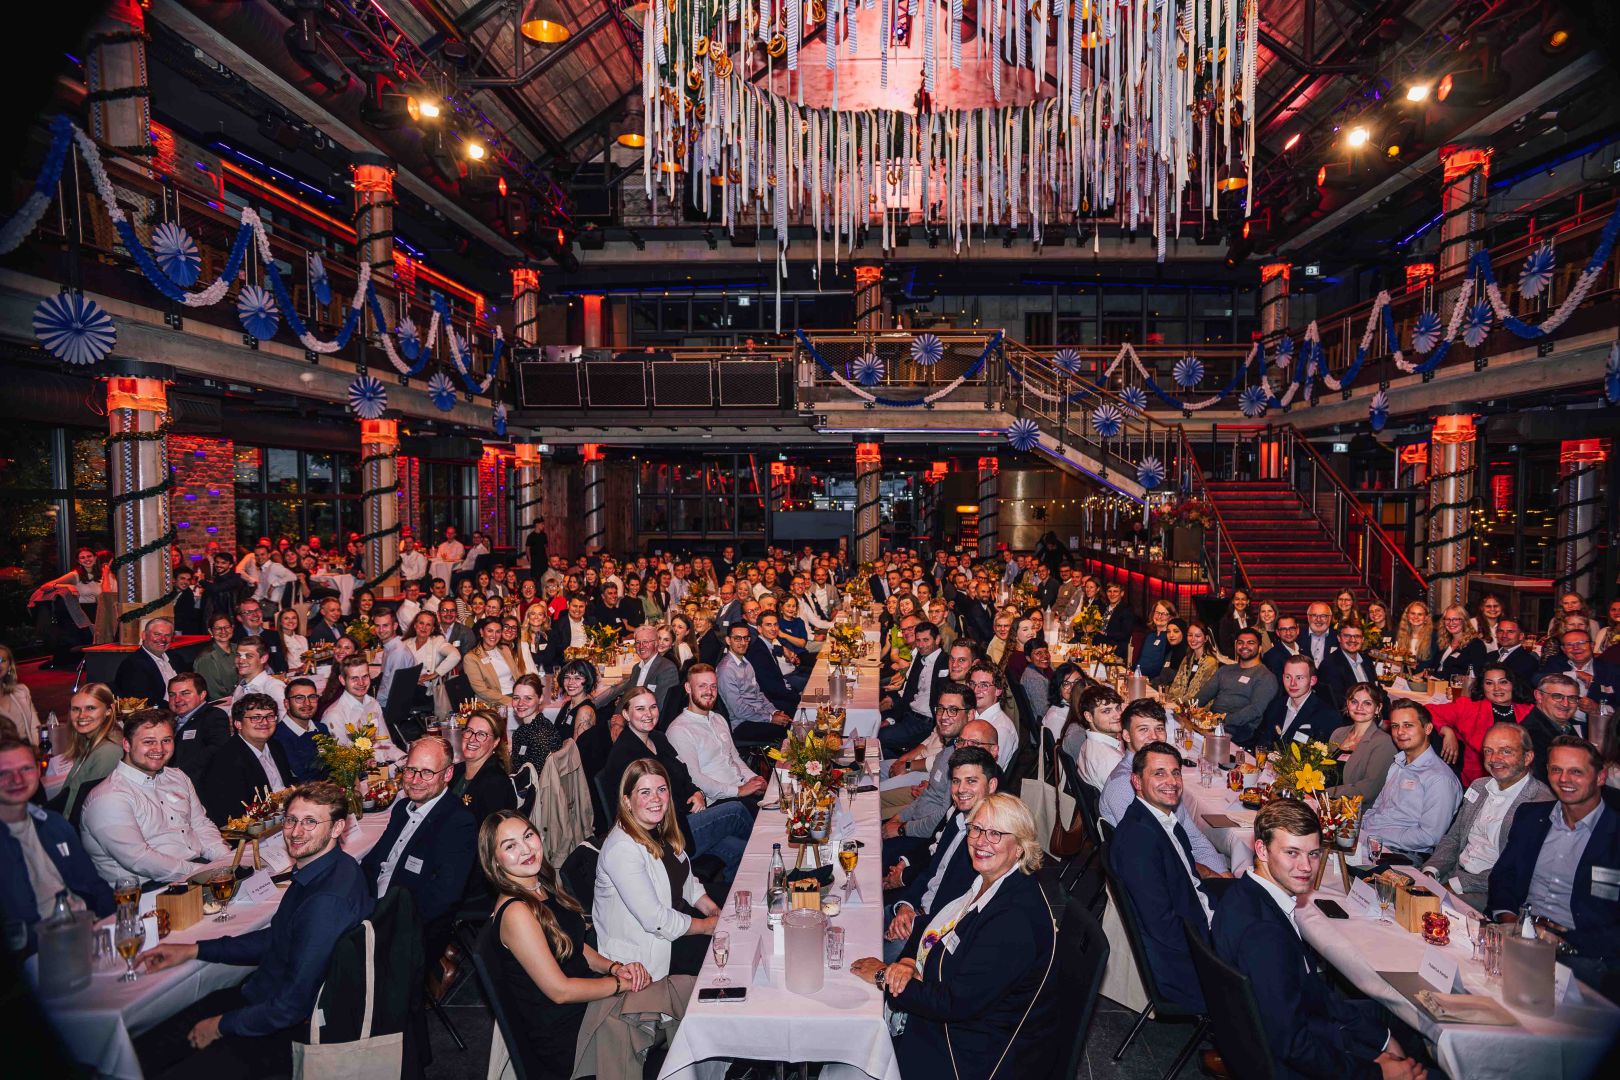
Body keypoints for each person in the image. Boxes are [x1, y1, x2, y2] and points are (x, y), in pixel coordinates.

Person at [133, 781, 374, 1079]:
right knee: (149, 1045)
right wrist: (195, 949)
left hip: (282, 1030)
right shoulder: (330, 868)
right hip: (264, 999)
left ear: (337, 828)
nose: (296, 832)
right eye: (291, 820)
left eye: (311, 822)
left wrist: (221, 1026)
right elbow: (277, 937)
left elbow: (290, 1006)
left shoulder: (326, 902)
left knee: (152, 1056)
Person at [1211, 800, 1426, 1080]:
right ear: (1262, 850)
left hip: (1286, 1031)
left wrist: (1380, 1039)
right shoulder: (1264, 935)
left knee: (1399, 1018)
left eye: (1313, 854)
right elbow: (1293, 1045)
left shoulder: (1241, 895)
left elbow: (1309, 992)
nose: (1306, 867)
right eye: (1292, 853)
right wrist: (1376, 1072)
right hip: (1287, 1063)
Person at [852, 793, 1057, 1080]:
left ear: (1020, 848)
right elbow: (929, 926)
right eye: (976, 829)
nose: (981, 841)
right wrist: (910, 961)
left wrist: (883, 976)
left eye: (996, 833)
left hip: (962, 1053)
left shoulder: (1014, 919)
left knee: (848, 1054)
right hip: (943, 1017)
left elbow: (953, 1003)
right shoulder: (984, 883)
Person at [481, 809, 655, 1080]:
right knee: (670, 1003)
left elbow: (573, 944)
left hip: (585, 1006)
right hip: (568, 1034)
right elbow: (560, 991)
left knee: (674, 998)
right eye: (510, 846)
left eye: (528, 836)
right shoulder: (516, 912)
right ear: (494, 861)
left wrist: (614, 968)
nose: (526, 849)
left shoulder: (539, 884)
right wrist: (620, 985)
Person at [1487, 736, 1619, 994]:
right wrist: (1512, 922)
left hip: (1584, 956)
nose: (1564, 779)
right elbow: (1503, 877)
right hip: (1517, 935)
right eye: (1556, 770)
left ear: (1600, 777)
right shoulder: (1530, 817)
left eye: (1576, 772)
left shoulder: (1615, 836)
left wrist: (1558, 941)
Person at [1109, 741, 1234, 1012]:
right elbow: (1162, 927)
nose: (1171, 781)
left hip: (1198, 917)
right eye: (1159, 773)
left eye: (1175, 773)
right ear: (1136, 781)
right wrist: (1218, 948)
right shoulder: (1138, 841)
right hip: (1185, 965)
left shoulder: (1160, 821)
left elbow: (1189, 881)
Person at [593, 759, 721, 980]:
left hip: (675, 925)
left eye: (661, 790)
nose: (656, 799)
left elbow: (686, 882)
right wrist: (706, 926)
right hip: (650, 949)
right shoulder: (621, 848)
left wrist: (713, 910)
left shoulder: (660, 828)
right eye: (645, 792)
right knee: (726, 960)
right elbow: (655, 920)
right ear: (627, 801)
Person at [603, 687, 751, 878]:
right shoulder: (627, 755)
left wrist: (697, 792)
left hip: (683, 818)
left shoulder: (658, 738)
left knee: (741, 850)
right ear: (626, 714)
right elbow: (649, 807)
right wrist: (689, 804)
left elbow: (682, 773)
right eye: (640, 709)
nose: (648, 714)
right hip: (664, 834)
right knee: (735, 811)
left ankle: (736, 898)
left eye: (653, 707)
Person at [79, 706, 231, 884]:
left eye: (166, 740)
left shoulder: (177, 776)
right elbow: (139, 859)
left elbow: (200, 824)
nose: (159, 748)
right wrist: (202, 872)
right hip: (147, 889)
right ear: (127, 744)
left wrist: (225, 858)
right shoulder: (109, 798)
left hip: (195, 869)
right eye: (148, 741)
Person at [360, 736, 478, 963]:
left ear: (448, 775)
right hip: (375, 908)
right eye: (411, 770)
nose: (415, 780)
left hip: (410, 926)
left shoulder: (458, 822)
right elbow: (372, 863)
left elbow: (445, 895)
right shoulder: (402, 808)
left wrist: (388, 920)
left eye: (427, 773)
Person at [882, 747, 1001, 963]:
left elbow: (961, 909)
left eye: (971, 781)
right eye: (956, 781)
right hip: (915, 912)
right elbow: (931, 872)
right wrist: (905, 907)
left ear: (991, 785)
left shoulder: (989, 842)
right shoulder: (957, 816)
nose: (961, 789)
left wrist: (914, 923)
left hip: (934, 934)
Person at [1422, 723, 1553, 911]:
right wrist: (1431, 871)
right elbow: (1454, 837)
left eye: (1506, 751)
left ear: (1527, 757)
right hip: (1451, 876)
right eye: (1488, 751)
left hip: (1490, 892)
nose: (1494, 759)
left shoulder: (1540, 803)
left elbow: (1515, 869)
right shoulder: (1479, 786)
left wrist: (1458, 884)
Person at [0, 734, 115, 944]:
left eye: (25, 769)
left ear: (38, 770)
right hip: (39, 952)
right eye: (4, 773)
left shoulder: (54, 825)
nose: (16, 780)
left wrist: (113, 924)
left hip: (89, 931)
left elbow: (95, 886)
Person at [1359, 700, 1463, 859]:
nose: (1400, 732)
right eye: (1395, 726)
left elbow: (1429, 837)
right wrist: (1359, 828)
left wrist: (1375, 835)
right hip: (1371, 841)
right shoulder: (1398, 764)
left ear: (1427, 728)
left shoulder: (1440, 779)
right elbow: (1378, 808)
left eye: (1408, 725)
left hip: (1403, 855)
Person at [883, 685, 973, 864]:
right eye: (941, 709)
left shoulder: (962, 760)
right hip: (914, 823)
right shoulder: (948, 748)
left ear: (970, 715)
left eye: (953, 710)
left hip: (925, 841)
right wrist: (900, 818)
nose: (944, 716)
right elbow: (927, 797)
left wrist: (902, 828)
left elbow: (943, 819)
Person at [666, 664, 769, 806]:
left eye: (713, 686)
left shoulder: (718, 719)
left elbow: (734, 758)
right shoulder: (679, 730)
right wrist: (738, 790)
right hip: (719, 802)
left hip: (739, 791)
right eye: (702, 686)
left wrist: (754, 779)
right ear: (688, 688)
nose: (709, 691)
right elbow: (694, 778)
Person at [198, 694, 294, 827]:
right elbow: (234, 815)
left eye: (270, 716)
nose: (265, 722)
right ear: (238, 723)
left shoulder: (275, 746)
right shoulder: (226, 761)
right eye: (255, 718)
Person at [1430, 664, 1534, 786]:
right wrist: (1446, 730)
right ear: (1483, 687)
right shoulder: (1468, 708)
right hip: (1476, 781)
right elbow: (1426, 711)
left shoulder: (1529, 711)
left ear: (1513, 684)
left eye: (1503, 682)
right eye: (1489, 683)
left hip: (1519, 781)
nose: (1497, 688)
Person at [51, 684, 125, 822]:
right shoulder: (90, 742)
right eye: (76, 709)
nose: (81, 715)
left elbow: (86, 810)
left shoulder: (107, 753)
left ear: (109, 710)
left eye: (90, 708)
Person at [1193, 628, 1278, 745]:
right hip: (1211, 726)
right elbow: (1203, 695)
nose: (1244, 646)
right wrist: (1188, 708)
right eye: (1240, 642)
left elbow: (1254, 710)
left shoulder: (1265, 676)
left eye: (1250, 643)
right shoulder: (1225, 670)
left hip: (1239, 732)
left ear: (1260, 648)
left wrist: (1221, 720)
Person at [717, 623, 791, 749]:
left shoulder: (746, 663)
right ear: (728, 640)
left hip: (756, 715)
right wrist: (770, 718)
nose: (743, 642)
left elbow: (758, 694)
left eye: (746, 638)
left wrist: (774, 711)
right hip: (741, 723)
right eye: (737, 638)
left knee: (790, 717)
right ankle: (777, 767)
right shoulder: (726, 670)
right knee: (785, 730)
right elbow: (739, 710)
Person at [1325, 682, 1400, 804]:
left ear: (1378, 708)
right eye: (1354, 702)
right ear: (1348, 704)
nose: (1359, 708)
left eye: (1367, 703)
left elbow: (1369, 790)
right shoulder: (1338, 734)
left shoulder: (1383, 743)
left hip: (1356, 812)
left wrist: (1324, 794)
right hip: (1325, 805)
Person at [1254, 655, 1340, 749]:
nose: (1292, 683)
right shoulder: (1275, 706)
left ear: (1312, 681)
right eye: (1288, 677)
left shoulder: (1327, 715)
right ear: (1282, 678)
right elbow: (1261, 741)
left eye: (1299, 678)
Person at [449, 709, 518, 826]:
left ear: (495, 742)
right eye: (469, 731)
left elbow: (489, 836)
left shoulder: (496, 784)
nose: (471, 739)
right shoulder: (457, 770)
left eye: (481, 734)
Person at [1523, 672, 1588, 784]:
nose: (1565, 704)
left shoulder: (1564, 725)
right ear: (1539, 696)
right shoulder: (1530, 734)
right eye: (1557, 696)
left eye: (1572, 698)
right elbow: (1543, 782)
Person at [165, 672, 231, 782]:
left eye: (185, 693)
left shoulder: (213, 716)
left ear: (202, 695)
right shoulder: (166, 721)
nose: (177, 700)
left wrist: (178, 775)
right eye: (172, 695)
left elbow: (217, 750)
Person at [113, 617, 191, 710]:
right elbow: (144, 704)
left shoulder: (175, 658)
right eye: (157, 634)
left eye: (167, 635)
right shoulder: (133, 665)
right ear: (144, 635)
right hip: (159, 717)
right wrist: (178, 708)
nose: (163, 639)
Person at [608, 625, 680, 725]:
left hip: (646, 725)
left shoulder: (667, 668)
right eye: (638, 642)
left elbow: (658, 707)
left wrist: (624, 721)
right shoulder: (636, 668)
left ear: (656, 644)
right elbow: (626, 697)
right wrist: (617, 718)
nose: (641, 646)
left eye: (646, 642)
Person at [964, 661, 1019, 774]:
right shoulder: (972, 716)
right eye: (972, 684)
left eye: (984, 685)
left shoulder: (1001, 729)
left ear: (998, 690)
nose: (975, 690)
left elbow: (986, 773)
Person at [1072, 684, 1125, 791]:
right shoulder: (1112, 760)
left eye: (1118, 708)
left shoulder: (1087, 743)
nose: (1118, 715)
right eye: (1106, 711)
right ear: (1089, 716)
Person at [273, 678, 325, 783]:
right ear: (286, 704)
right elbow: (302, 777)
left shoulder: (321, 728)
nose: (307, 703)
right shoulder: (278, 737)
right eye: (299, 698)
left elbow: (331, 764)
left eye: (312, 697)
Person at [465, 617, 520, 710]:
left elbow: (517, 675)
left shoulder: (505, 649)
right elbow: (481, 691)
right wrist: (510, 701)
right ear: (482, 632)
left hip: (516, 695)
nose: (494, 635)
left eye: (498, 631)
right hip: (494, 702)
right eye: (490, 631)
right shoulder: (471, 658)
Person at [1318, 623, 1375, 710]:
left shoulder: (1367, 660)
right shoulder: (1329, 665)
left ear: (1363, 639)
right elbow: (1338, 702)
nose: (1352, 640)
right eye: (1347, 636)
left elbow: (1377, 690)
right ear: (1339, 638)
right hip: (1349, 720)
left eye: (1357, 636)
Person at [1163, 620, 1220, 701]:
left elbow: (1199, 693)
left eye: (1197, 636)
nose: (1193, 639)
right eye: (1190, 635)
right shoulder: (1187, 659)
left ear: (1206, 638)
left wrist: (1179, 704)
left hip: (1198, 709)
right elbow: (1175, 685)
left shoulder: (1210, 662)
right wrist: (1170, 700)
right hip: (1180, 705)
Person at [229, 638, 286, 718]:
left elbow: (283, 721)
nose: (241, 661)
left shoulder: (273, 687)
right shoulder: (240, 688)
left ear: (263, 658)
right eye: (238, 655)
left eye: (248, 656)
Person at [0, 643, 41, 746]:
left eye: (2, 660)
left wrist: (35, 753)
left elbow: (34, 728)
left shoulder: (21, 691)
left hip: (26, 755)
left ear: (9, 666)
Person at [194, 615, 240, 700]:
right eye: (218, 628)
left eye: (226, 627)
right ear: (210, 631)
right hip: (221, 705)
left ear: (232, 628)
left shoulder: (239, 649)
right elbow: (215, 694)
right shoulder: (206, 658)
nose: (223, 631)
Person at [1135, 600, 1178, 679]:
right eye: (1157, 613)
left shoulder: (1170, 638)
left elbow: (1164, 668)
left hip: (1154, 682)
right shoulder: (1149, 635)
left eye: (1164, 614)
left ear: (1171, 617)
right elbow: (1140, 659)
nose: (1159, 616)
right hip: (1138, 678)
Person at [1493, 618, 1540, 683]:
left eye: (1510, 632)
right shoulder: (1490, 656)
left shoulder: (1528, 661)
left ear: (1521, 636)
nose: (1504, 635)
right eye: (1500, 631)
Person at [1097, 582, 1139, 654]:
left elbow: (1125, 634)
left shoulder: (1127, 610)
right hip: (1098, 646)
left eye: (1115, 591)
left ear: (1122, 593)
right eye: (1109, 591)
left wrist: (1105, 633)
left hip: (1116, 649)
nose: (1112, 594)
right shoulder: (1103, 607)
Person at [1261, 614, 1303, 682]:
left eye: (1291, 628)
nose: (1288, 633)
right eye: (1283, 629)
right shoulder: (1271, 656)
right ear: (1277, 632)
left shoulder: (1305, 649)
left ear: (1297, 630)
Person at [1215, 588, 1252, 657]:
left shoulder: (1253, 620)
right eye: (1237, 599)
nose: (1240, 602)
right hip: (1233, 660)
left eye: (1243, 599)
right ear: (1233, 601)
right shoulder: (1226, 621)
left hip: (1250, 658)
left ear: (1248, 601)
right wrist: (1242, 654)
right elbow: (1224, 647)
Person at [1303, 602, 1340, 669]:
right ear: (1308, 617)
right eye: (1314, 615)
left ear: (1330, 618)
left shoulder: (1338, 637)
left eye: (1323, 616)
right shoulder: (1297, 636)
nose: (1318, 619)